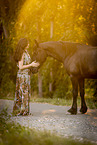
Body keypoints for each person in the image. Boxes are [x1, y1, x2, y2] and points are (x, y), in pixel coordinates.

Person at [13, 38, 39, 116]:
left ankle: (24, 110)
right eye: (27, 43)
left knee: (25, 93)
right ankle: (22, 111)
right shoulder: (22, 53)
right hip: (22, 76)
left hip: (26, 75)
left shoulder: (26, 52)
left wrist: (33, 64)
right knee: (23, 93)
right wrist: (31, 65)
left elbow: (26, 63)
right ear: (24, 44)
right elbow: (21, 67)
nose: (28, 44)